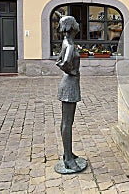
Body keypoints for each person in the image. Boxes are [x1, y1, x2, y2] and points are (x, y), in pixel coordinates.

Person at [55, 12, 83, 172]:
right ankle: (69, 160)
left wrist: (68, 69)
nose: (78, 25)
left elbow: (58, 60)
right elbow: (64, 62)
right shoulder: (70, 45)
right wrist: (72, 72)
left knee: (67, 122)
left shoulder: (67, 42)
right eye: (76, 23)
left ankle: (68, 153)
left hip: (68, 83)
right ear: (72, 27)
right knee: (67, 122)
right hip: (70, 84)